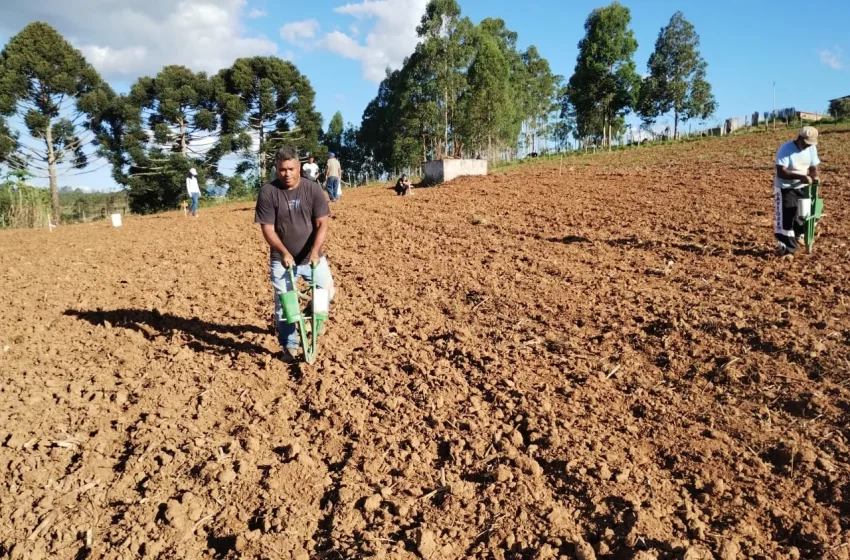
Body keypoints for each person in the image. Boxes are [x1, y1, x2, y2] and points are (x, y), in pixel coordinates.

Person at [255, 146, 334, 362]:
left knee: (326, 291)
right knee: (285, 303)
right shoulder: (268, 193)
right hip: (282, 260)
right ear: (276, 169)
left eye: (291, 168)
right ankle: (289, 346)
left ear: (299, 167)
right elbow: (267, 229)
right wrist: (283, 252)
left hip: (312, 258)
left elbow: (322, 224)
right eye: (282, 170)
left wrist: (315, 252)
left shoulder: (313, 189)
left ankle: (312, 320)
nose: (287, 174)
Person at [774, 126, 821, 256]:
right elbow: (781, 172)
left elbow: (814, 166)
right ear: (800, 138)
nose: (808, 146)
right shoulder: (786, 149)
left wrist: (814, 176)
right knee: (787, 217)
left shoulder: (811, 148)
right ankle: (787, 249)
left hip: (803, 186)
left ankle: (798, 236)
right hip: (785, 187)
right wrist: (800, 177)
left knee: (803, 215)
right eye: (806, 143)